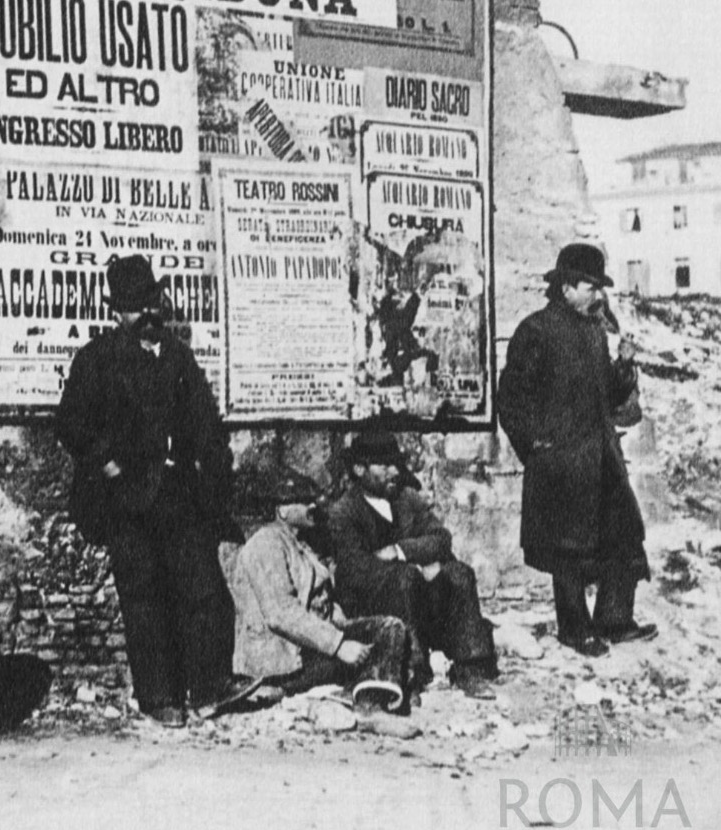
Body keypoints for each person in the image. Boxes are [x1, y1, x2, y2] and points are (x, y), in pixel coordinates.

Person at [55, 255, 254, 727]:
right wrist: (108, 464)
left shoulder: (179, 358)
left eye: (150, 301)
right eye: (132, 306)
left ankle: (209, 687)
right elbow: (70, 424)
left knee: (203, 589)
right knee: (143, 597)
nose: (146, 313)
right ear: (114, 311)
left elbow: (206, 424)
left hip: (178, 495)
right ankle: (158, 697)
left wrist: (211, 473)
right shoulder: (98, 359)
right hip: (124, 500)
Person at [497, 243, 657, 657]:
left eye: (600, 288)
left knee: (623, 536)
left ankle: (615, 619)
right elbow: (510, 399)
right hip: (561, 464)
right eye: (591, 287)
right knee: (566, 549)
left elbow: (607, 393)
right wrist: (536, 447)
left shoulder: (591, 332)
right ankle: (574, 628)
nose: (598, 296)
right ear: (566, 287)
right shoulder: (535, 330)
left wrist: (623, 365)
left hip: (600, 458)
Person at [320, 432, 498, 700]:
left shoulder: (406, 499)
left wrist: (401, 551)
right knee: (404, 579)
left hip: (418, 597)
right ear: (359, 469)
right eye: (384, 465)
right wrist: (416, 570)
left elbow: (441, 539)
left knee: (460, 574)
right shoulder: (343, 512)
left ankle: (470, 667)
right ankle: (410, 674)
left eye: (396, 464)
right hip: (371, 605)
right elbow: (357, 572)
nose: (394, 472)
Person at [230, 475, 414, 722]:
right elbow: (280, 614)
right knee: (374, 645)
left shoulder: (301, 544)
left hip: (308, 648)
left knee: (388, 628)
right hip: (282, 661)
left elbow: (322, 599)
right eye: (303, 501)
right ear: (282, 510)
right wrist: (338, 645)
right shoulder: (265, 544)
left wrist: (343, 626)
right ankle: (370, 707)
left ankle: (361, 695)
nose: (313, 506)